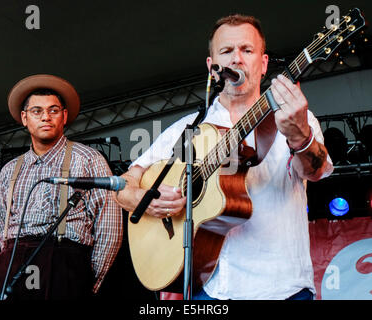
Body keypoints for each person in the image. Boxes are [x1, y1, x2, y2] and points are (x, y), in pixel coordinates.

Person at [114, 14, 333, 300]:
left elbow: (316, 171)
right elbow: (125, 182)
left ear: (263, 64)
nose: (236, 59)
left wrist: (300, 136)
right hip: (210, 288)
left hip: (281, 287)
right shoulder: (187, 128)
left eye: (247, 50)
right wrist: (142, 199)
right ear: (211, 66)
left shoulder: (293, 116)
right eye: (226, 51)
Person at [0, 74, 123, 300]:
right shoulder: (9, 170)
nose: (46, 117)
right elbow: (1, 227)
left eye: (53, 110)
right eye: (37, 111)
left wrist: (87, 280)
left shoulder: (88, 159)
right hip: (14, 266)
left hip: (65, 262)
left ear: (64, 116)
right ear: (25, 118)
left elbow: (109, 227)